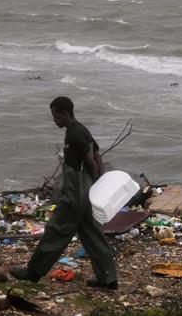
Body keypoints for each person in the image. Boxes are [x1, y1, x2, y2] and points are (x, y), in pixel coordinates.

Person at [9, 96, 118, 289]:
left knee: (56, 231)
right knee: (93, 235)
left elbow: (91, 162)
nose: (54, 119)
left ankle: (33, 272)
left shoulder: (74, 134)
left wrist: (96, 177)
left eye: (56, 115)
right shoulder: (82, 129)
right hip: (87, 193)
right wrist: (99, 181)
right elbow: (97, 153)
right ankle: (108, 279)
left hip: (76, 194)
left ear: (66, 113)